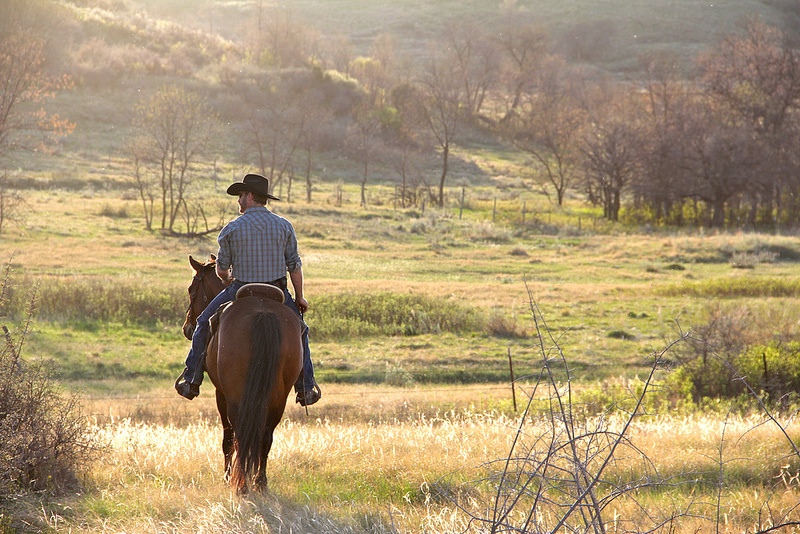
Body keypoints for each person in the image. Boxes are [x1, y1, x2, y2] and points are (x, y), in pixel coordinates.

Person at [174, 173, 321, 406]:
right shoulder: (284, 226)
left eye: (241, 195)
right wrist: (300, 296)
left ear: (250, 196)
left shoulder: (232, 228)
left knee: (202, 323)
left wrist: (226, 280)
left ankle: (191, 378)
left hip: (241, 289)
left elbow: (221, 268)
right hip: (277, 291)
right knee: (301, 330)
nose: (238, 201)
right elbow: (294, 265)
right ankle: (306, 387)